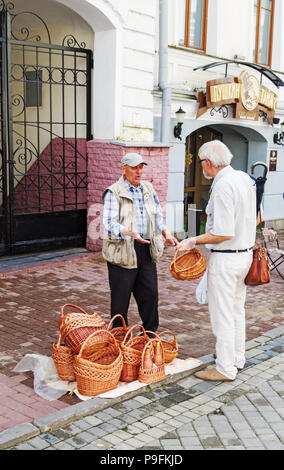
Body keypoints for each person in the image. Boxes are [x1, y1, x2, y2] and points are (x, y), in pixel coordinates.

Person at [176, 140, 256, 381]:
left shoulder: (222, 186)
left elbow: (223, 232)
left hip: (227, 258)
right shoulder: (243, 178)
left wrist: (192, 241)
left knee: (222, 315)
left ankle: (224, 367)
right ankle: (236, 358)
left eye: (202, 163)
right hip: (244, 255)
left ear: (208, 163)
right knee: (235, 311)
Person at [102, 152, 178, 332]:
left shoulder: (148, 189)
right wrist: (129, 232)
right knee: (121, 301)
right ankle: (119, 338)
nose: (139, 171)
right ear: (123, 169)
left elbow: (157, 215)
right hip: (123, 251)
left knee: (150, 295)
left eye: (141, 167)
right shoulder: (114, 192)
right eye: (134, 167)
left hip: (146, 248)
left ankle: (150, 335)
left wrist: (166, 233)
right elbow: (109, 223)